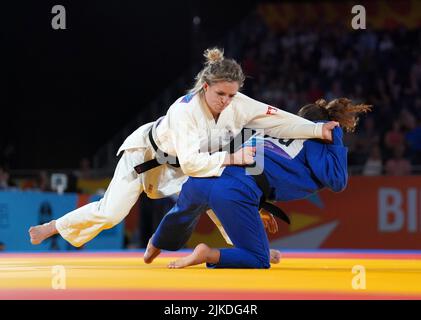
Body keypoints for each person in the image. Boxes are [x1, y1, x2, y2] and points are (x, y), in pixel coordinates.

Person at [29, 48, 338, 248]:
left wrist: (315, 128)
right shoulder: (183, 111)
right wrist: (232, 156)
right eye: (221, 94)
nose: (227, 101)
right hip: (146, 157)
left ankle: (250, 248)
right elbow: (192, 163)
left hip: (180, 166)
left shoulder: (237, 102)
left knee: (217, 192)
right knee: (111, 214)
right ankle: (52, 227)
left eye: (232, 95)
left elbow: (275, 120)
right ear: (205, 87)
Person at [144, 98, 372, 269]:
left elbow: (254, 164)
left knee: (184, 210)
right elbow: (337, 181)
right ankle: (207, 254)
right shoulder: (315, 141)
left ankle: (155, 243)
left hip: (208, 173)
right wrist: (336, 139)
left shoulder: (272, 129)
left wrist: (257, 206)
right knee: (259, 259)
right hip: (235, 192)